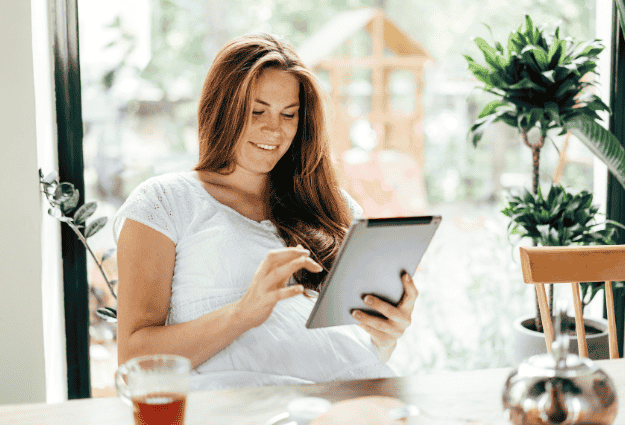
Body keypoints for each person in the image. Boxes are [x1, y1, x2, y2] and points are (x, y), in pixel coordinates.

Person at [114, 33, 418, 391]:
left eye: (288, 114)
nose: (274, 128)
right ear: (221, 109)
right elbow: (135, 358)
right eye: (257, 111)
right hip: (243, 408)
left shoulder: (333, 207)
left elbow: (351, 349)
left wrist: (385, 333)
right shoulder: (165, 201)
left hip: (351, 399)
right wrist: (243, 314)